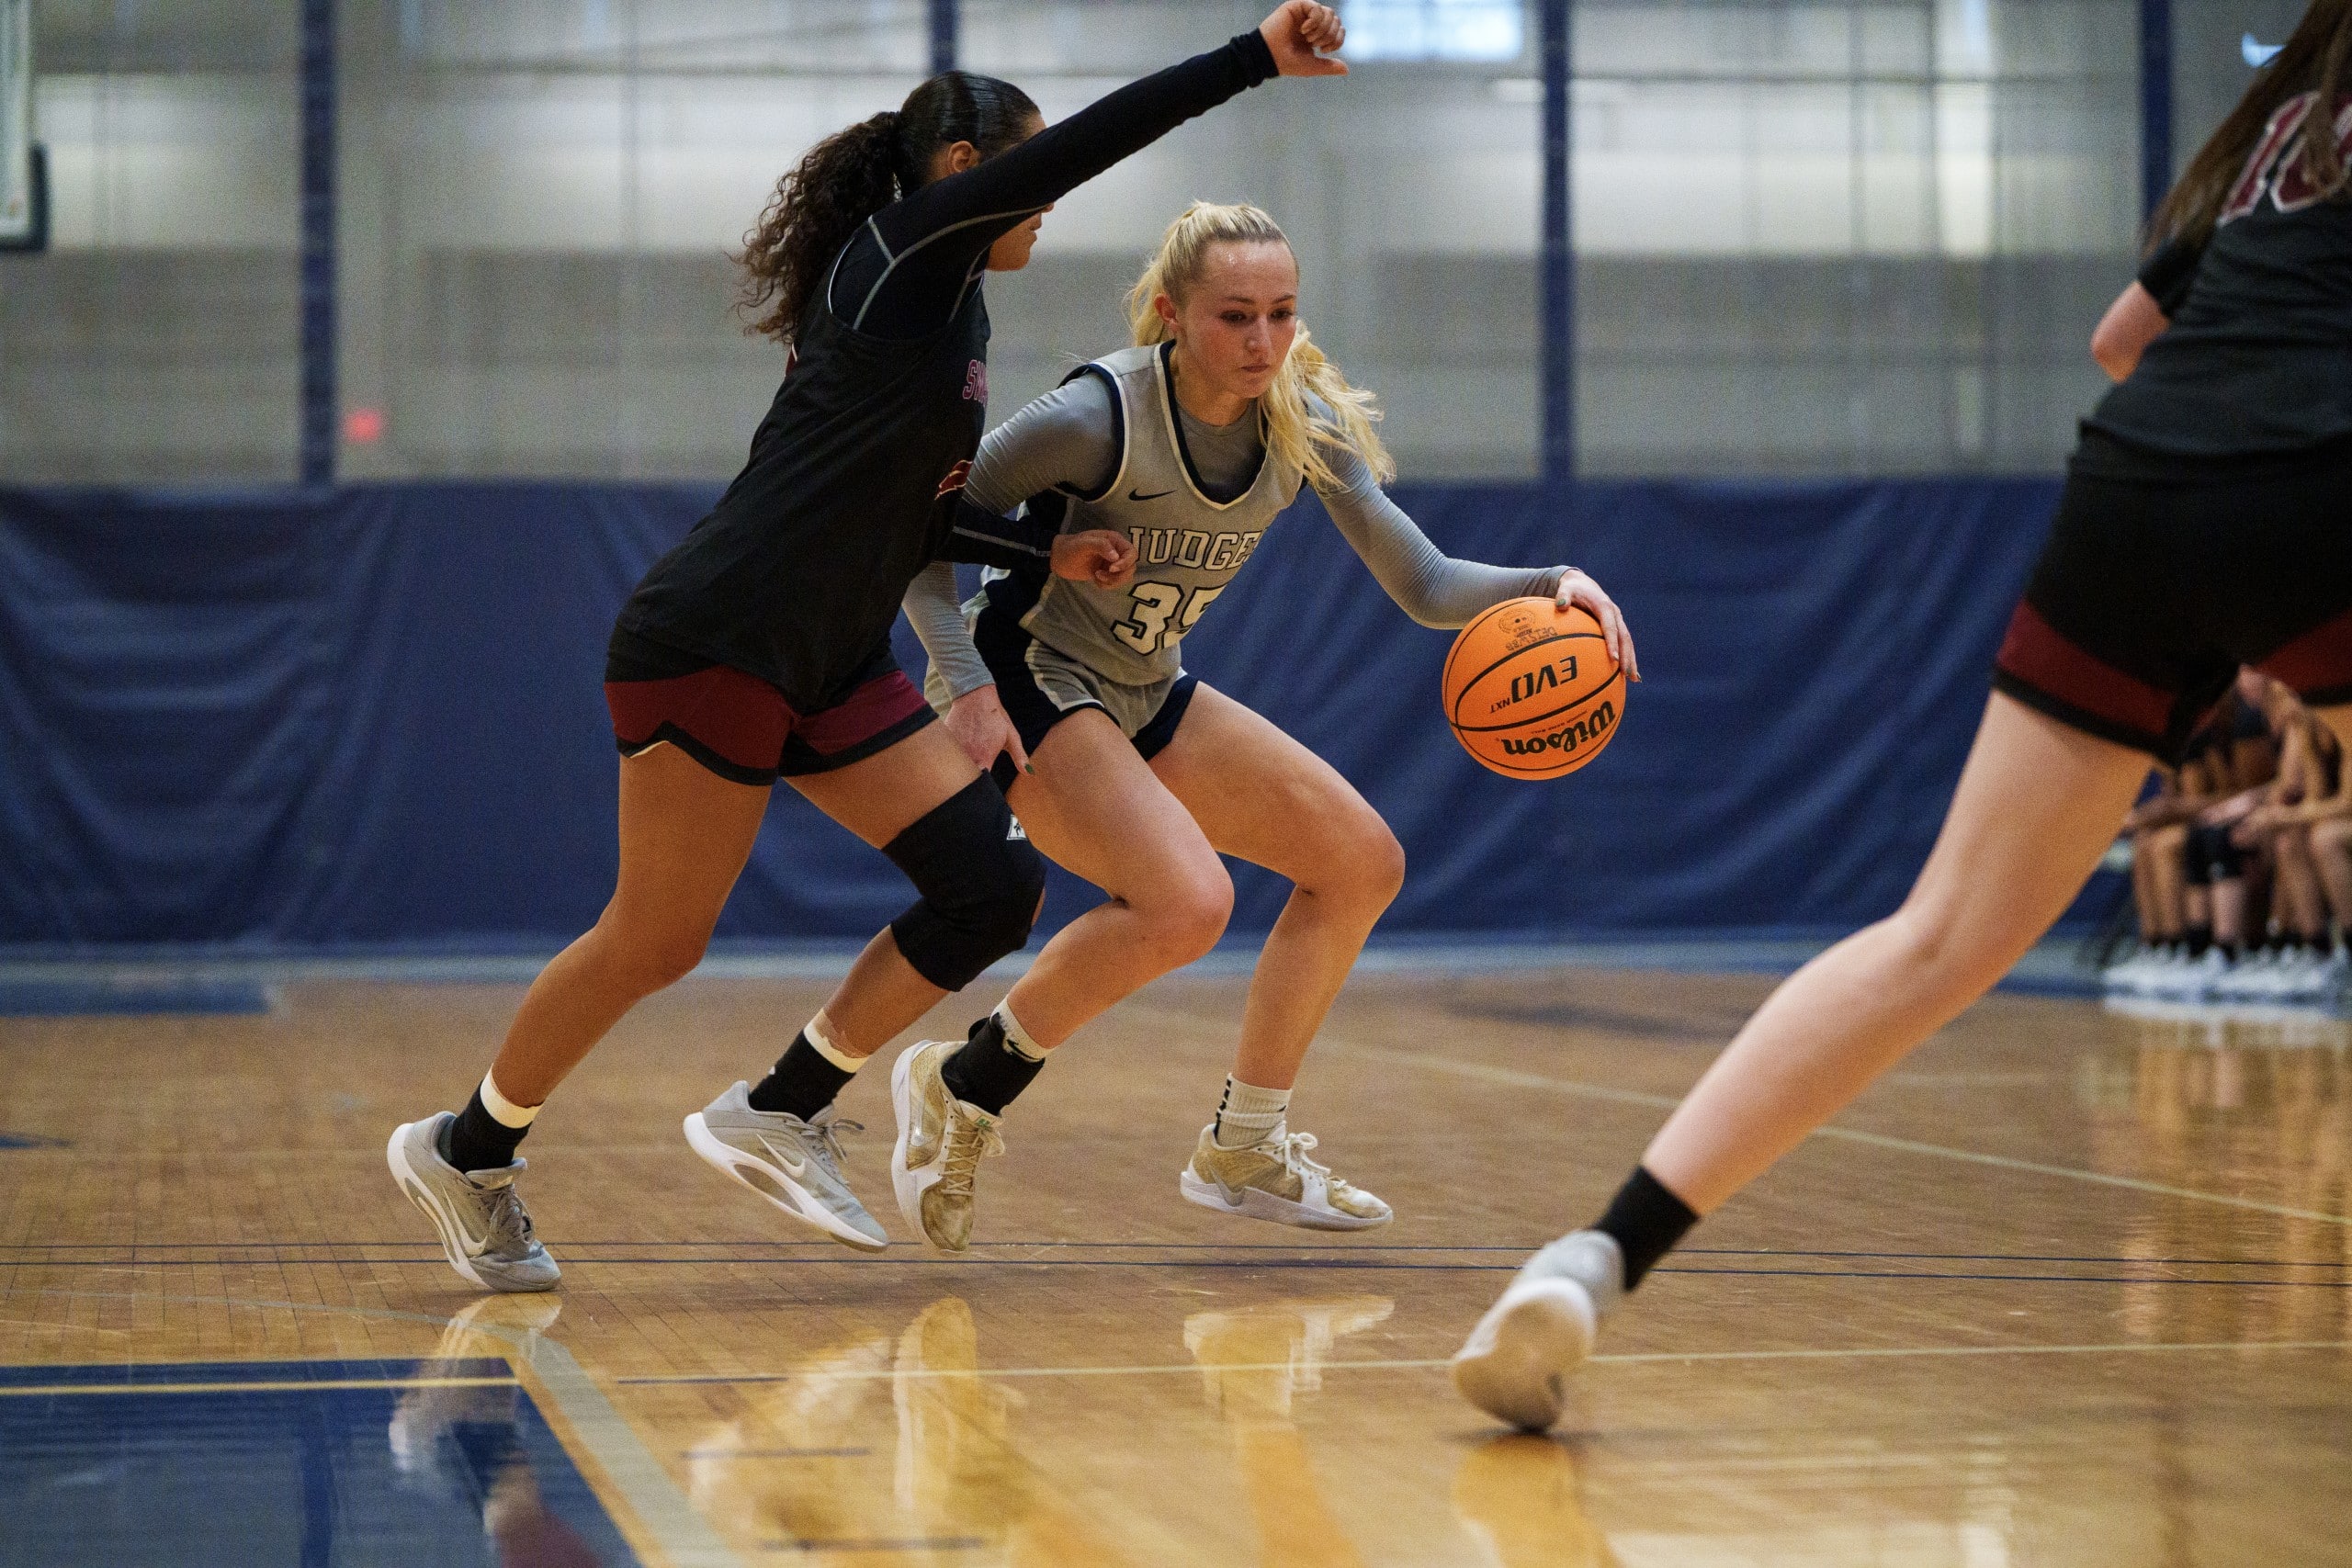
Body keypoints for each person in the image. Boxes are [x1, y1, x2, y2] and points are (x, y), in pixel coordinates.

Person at [1453, 0, 2352, 1430]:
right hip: (2317, 480)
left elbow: (2123, 339)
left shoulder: (2286, 130)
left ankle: (1593, 1257)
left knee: (1938, 934)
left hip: (2137, 487)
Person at [384, 5, 1354, 1292]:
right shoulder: (903, 251)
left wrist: (1046, 553)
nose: (1046, 203)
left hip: (832, 654)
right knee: (657, 939)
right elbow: (1096, 144)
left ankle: (780, 1105)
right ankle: (466, 1148)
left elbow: (907, 511)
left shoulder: (951, 313)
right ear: (963, 170)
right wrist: (1252, 59)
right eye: (1028, 173)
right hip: (722, 634)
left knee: (989, 886)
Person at [879, 201, 1636, 1250]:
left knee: (1361, 863)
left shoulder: (1296, 419)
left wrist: (1553, 583)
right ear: (1171, 314)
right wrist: (963, 683)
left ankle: (1244, 1145)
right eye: (1235, 315)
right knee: (1189, 903)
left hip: (1142, 684)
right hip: (1029, 672)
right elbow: (919, 532)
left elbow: (1423, 584)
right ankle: (964, 1086)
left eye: (1281, 313)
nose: (1263, 340)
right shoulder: (1094, 416)